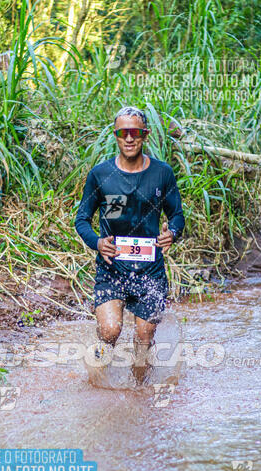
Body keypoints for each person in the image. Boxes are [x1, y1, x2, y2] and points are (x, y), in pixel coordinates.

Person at [74, 106, 185, 384]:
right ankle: (95, 380)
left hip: (151, 272)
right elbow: (82, 220)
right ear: (116, 136)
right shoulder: (101, 175)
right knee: (111, 331)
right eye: (124, 133)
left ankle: (139, 392)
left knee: (144, 337)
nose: (129, 139)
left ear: (145, 135)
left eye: (135, 132)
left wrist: (172, 232)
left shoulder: (162, 173)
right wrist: (98, 243)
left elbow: (178, 216)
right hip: (112, 269)